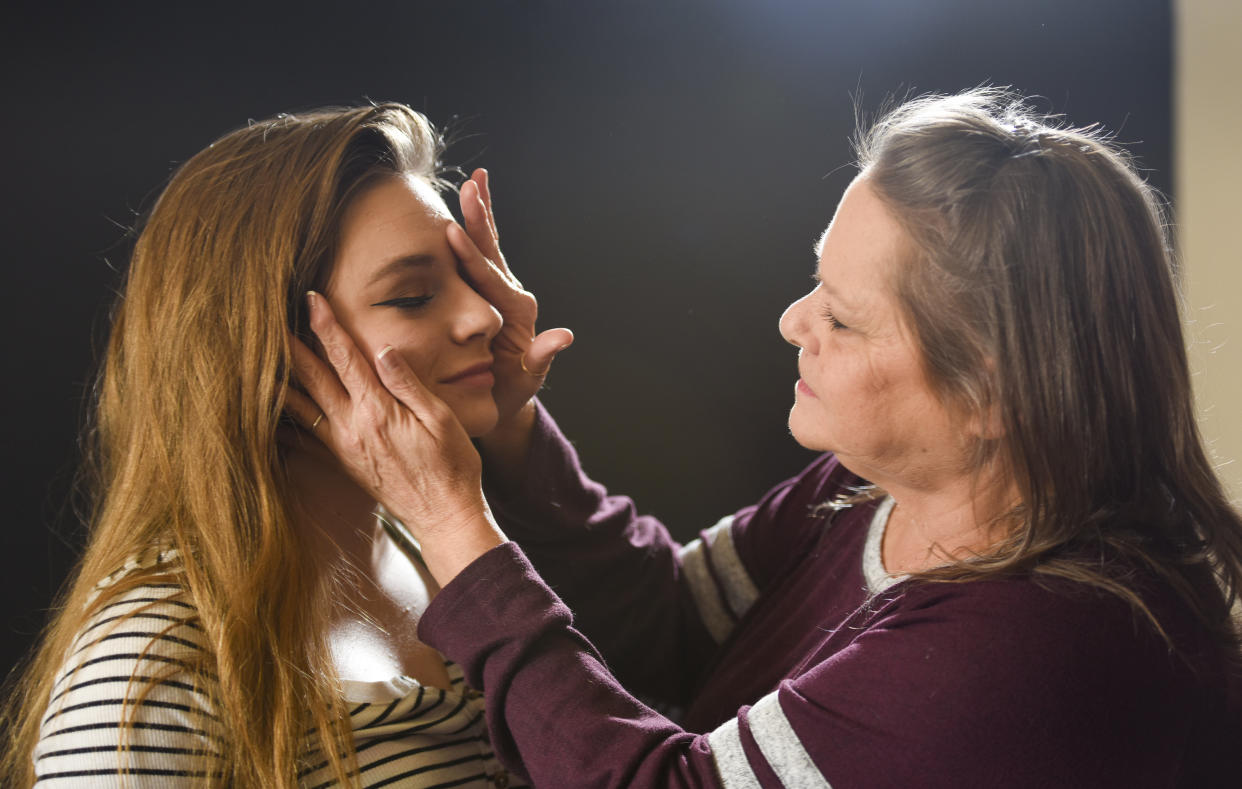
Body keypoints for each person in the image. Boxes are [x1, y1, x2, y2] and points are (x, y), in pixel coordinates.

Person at [290, 87, 1242, 787]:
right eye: (815, 280)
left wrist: (456, 528)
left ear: (996, 390)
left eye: (845, 316)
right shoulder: (870, 495)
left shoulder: (1033, 641)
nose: (794, 321)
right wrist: (512, 434)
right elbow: (670, 626)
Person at [1, 103, 569, 787]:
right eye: (415, 296)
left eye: (471, 280)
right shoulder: (149, 666)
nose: (484, 315)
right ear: (270, 347)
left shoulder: (437, 548)